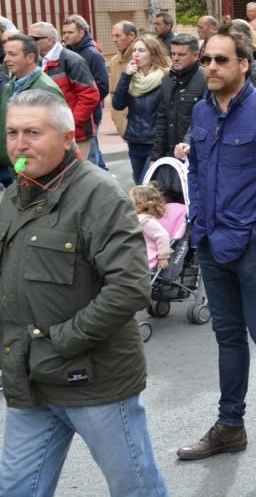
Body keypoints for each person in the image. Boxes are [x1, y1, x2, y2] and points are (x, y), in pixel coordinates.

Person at [0, 90, 167, 496]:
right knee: (18, 489)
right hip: (30, 380)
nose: (20, 144)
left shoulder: (98, 194)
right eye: (12, 133)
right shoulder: (13, 195)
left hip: (93, 382)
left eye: (33, 132)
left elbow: (129, 288)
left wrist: (62, 341)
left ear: (66, 137)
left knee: (134, 488)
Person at [178, 22, 256, 461]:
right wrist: (196, 218)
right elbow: (195, 166)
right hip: (210, 239)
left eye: (220, 59)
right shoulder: (202, 110)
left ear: (243, 65)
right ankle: (231, 425)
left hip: (252, 244)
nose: (210, 66)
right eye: (206, 58)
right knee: (228, 336)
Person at [0, 34, 65, 185]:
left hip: (38, 172)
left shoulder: (46, 89)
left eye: (13, 54)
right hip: (17, 167)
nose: (6, 59)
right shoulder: (11, 86)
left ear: (30, 58)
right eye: (6, 54)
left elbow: (58, 135)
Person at [30, 21, 100, 160]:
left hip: (75, 135)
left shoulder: (71, 60)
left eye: (34, 39)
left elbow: (90, 95)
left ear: (50, 40)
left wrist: (69, 124)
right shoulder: (36, 62)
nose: (30, 43)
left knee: (77, 178)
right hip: (51, 134)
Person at [111, 34, 169, 184]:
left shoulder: (165, 77)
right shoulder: (130, 78)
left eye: (142, 50)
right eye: (135, 50)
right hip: (134, 141)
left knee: (146, 184)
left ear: (153, 53)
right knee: (139, 183)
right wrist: (126, 76)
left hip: (154, 142)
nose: (136, 54)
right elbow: (118, 104)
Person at [61, 15, 109, 168]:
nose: (66, 36)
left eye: (70, 32)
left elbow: (102, 87)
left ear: (82, 33)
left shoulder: (92, 54)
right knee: (94, 157)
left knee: (90, 160)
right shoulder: (67, 53)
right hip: (79, 114)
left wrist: (87, 106)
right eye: (64, 32)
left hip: (89, 115)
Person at [151, 34, 206, 162]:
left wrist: (187, 144)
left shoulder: (205, 80)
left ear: (196, 55)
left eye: (181, 55)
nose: (175, 58)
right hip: (169, 154)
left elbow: (203, 120)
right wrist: (156, 156)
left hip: (195, 154)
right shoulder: (167, 80)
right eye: (173, 54)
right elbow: (162, 120)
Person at [130, 183, 174, 272]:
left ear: (140, 204)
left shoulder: (146, 221)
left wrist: (163, 256)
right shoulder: (137, 217)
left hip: (145, 258)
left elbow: (162, 236)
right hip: (136, 254)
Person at [108, 20, 138, 135]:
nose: (114, 40)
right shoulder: (114, 61)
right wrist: (116, 117)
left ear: (131, 36)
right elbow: (112, 92)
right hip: (121, 124)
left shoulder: (144, 59)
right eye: (113, 36)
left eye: (118, 36)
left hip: (140, 125)